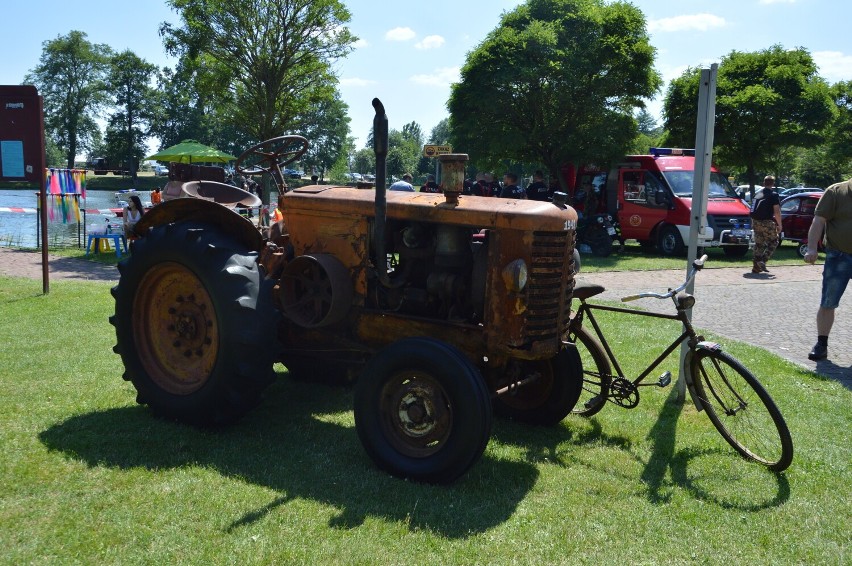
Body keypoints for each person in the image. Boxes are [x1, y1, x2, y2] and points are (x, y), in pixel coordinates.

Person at [803, 177, 852, 361]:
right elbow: (818, 221)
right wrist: (811, 248)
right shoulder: (836, 192)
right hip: (839, 256)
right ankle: (821, 344)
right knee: (828, 302)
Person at [748, 175, 782, 273]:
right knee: (774, 241)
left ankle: (756, 267)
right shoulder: (774, 195)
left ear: (764, 183)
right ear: (773, 184)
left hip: (755, 221)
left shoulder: (757, 194)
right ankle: (763, 260)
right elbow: (777, 211)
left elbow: (752, 209)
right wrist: (780, 225)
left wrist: (753, 222)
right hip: (767, 222)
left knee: (759, 244)